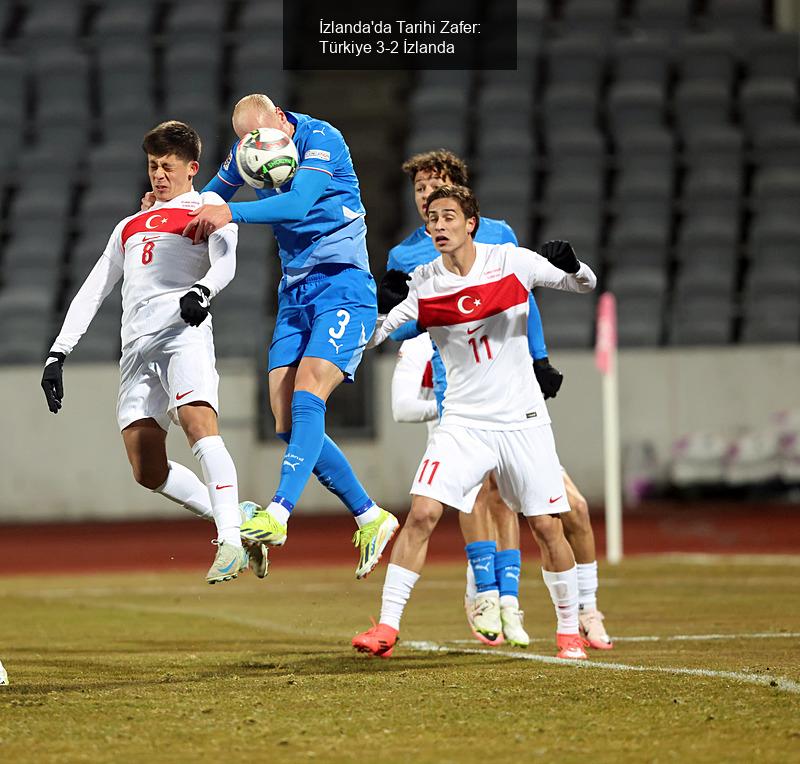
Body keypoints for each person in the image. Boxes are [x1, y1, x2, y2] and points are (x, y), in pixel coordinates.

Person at [352, 185, 596, 660]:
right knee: (421, 512)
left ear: (471, 223)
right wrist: (375, 309)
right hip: (463, 422)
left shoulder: (511, 261)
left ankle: (569, 628)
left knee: (547, 526)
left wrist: (574, 264)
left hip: (522, 421)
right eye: (431, 220)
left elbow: (582, 285)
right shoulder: (423, 280)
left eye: (448, 217)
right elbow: (375, 337)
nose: (438, 226)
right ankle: (385, 627)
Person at [160, 93, 398, 579]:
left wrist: (234, 215)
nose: (256, 146)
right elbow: (210, 196)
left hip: (343, 284)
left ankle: (279, 513)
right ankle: (371, 516)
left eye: (262, 136)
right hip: (295, 293)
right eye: (247, 141)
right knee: (286, 418)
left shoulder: (322, 138)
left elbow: (298, 202)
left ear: (281, 121)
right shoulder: (248, 152)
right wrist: (169, 206)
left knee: (310, 393)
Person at [40, 120, 267, 585]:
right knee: (147, 470)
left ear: (192, 168)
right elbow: (95, 288)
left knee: (199, 427)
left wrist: (201, 291)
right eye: (152, 166)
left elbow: (226, 261)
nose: (158, 175)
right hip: (136, 348)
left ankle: (227, 541)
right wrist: (58, 353)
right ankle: (238, 523)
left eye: (167, 166)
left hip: (183, 331)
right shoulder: (129, 224)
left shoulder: (209, 205)